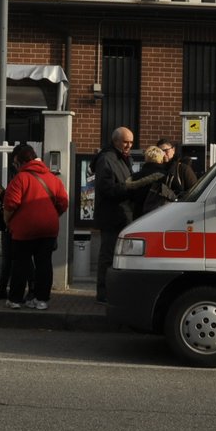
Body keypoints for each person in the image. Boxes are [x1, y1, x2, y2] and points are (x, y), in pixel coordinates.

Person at [91, 126, 161, 301]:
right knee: (108, 256)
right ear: (115, 141)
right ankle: (103, 294)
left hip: (122, 215)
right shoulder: (107, 159)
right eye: (125, 142)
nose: (129, 145)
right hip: (112, 216)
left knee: (117, 258)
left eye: (131, 142)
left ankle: (113, 293)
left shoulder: (122, 158)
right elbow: (107, 188)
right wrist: (130, 187)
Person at [1, 143, 69, 310]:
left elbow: (10, 205)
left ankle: (15, 299)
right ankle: (41, 300)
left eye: (15, 163)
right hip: (49, 228)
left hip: (25, 229)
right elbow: (63, 202)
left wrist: (8, 222)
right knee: (44, 264)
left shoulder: (20, 179)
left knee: (21, 264)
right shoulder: (53, 178)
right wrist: (52, 215)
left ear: (18, 161)